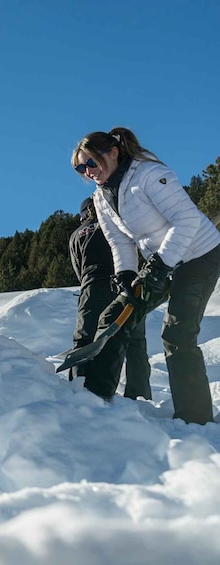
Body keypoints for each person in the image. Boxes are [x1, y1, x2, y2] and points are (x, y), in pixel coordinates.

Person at [72, 127, 220, 424]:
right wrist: (126, 274)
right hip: (162, 261)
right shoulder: (101, 198)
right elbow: (120, 241)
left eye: (91, 162)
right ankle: (94, 401)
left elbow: (188, 218)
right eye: (80, 167)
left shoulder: (148, 175)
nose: (88, 172)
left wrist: (161, 264)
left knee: (177, 333)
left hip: (198, 256)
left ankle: (196, 420)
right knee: (116, 315)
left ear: (112, 153)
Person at [68, 197, 151, 400]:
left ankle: (80, 392)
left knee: (85, 340)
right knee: (135, 343)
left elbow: (78, 268)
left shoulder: (77, 235)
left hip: (94, 287)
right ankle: (140, 396)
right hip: (129, 286)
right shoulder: (119, 222)